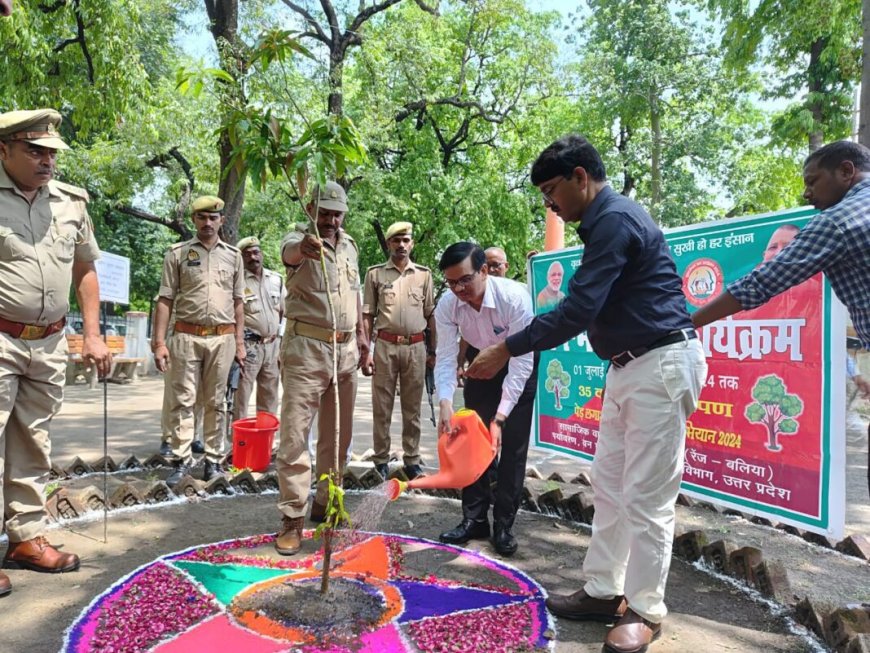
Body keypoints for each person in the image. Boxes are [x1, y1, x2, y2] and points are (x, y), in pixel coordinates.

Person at [466, 135, 707, 653]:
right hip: (629, 367)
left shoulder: (615, 220)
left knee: (647, 496)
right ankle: (603, 589)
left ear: (581, 176)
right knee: (611, 484)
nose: (550, 204)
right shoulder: (602, 225)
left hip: (660, 363)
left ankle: (644, 609)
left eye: (553, 190)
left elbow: (576, 311)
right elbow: (586, 309)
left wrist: (505, 349)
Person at [0, 109, 112, 595]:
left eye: (51, 153)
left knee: (34, 441)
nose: (47, 161)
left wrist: (91, 335)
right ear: (3, 150)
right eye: (34, 151)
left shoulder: (71, 203)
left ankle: (25, 537)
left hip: (47, 342)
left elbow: (85, 269)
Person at [692, 140, 870, 351]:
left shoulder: (837, 221)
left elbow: (759, 285)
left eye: (812, 182)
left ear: (846, 170)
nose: (806, 194)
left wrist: (683, 326)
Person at [274, 181, 368, 556]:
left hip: (345, 350)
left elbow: (356, 293)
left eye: (336, 213)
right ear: (310, 207)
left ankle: (326, 505)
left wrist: (362, 338)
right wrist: (304, 248)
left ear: (344, 213)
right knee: (296, 436)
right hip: (306, 349)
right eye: (324, 212)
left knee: (337, 436)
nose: (330, 220)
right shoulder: (298, 239)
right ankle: (292, 518)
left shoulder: (350, 246)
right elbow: (290, 255)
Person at [435, 242, 536, 557]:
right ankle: (474, 519)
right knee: (473, 444)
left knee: (512, 449)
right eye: (451, 282)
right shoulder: (448, 304)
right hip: (481, 362)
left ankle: (503, 525)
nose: (459, 289)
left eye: (465, 279)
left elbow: (521, 363)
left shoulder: (514, 298)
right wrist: (445, 402)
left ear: (483, 271)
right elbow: (447, 356)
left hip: (518, 358)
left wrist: (501, 418)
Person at [152, 196, 246, 485]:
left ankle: (214, 461)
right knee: (183, 399)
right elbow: (165, 299)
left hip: (222, 338)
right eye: (202, 217)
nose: (207, 223)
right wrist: (159, 343)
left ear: (221, 221)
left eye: (213, 218)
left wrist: (240, 343)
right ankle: (181, 460)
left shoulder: (233, 256)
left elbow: (238, 301)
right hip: (185, 336)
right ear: (193, 220)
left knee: (217, 401)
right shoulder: (177, 254)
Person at [362, 221, 436, 481]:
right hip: (384, 346)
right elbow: (368, 315)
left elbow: (430, 314)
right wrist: (366, 350)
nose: (402, 245)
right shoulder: (375, 275)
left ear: (412, 243)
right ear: (389, 244)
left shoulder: (424, 275)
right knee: (381, 407)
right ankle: (381, 459)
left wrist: (433, 351)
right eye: (397, 240)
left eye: (406, 240)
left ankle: (412, 459)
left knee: (412, 408)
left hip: (416, 347)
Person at [233, 236, 284, 422]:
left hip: (272, 346)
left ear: (261, 254)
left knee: (270, 397)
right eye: (247, 254)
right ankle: (237, 445)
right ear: (241, 258)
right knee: (241, 397)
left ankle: (265, 443)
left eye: (256, 252)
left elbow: (283, 313)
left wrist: (281, 345)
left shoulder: (276, 279)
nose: (253, 257)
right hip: (248, 347)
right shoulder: (236, 281)